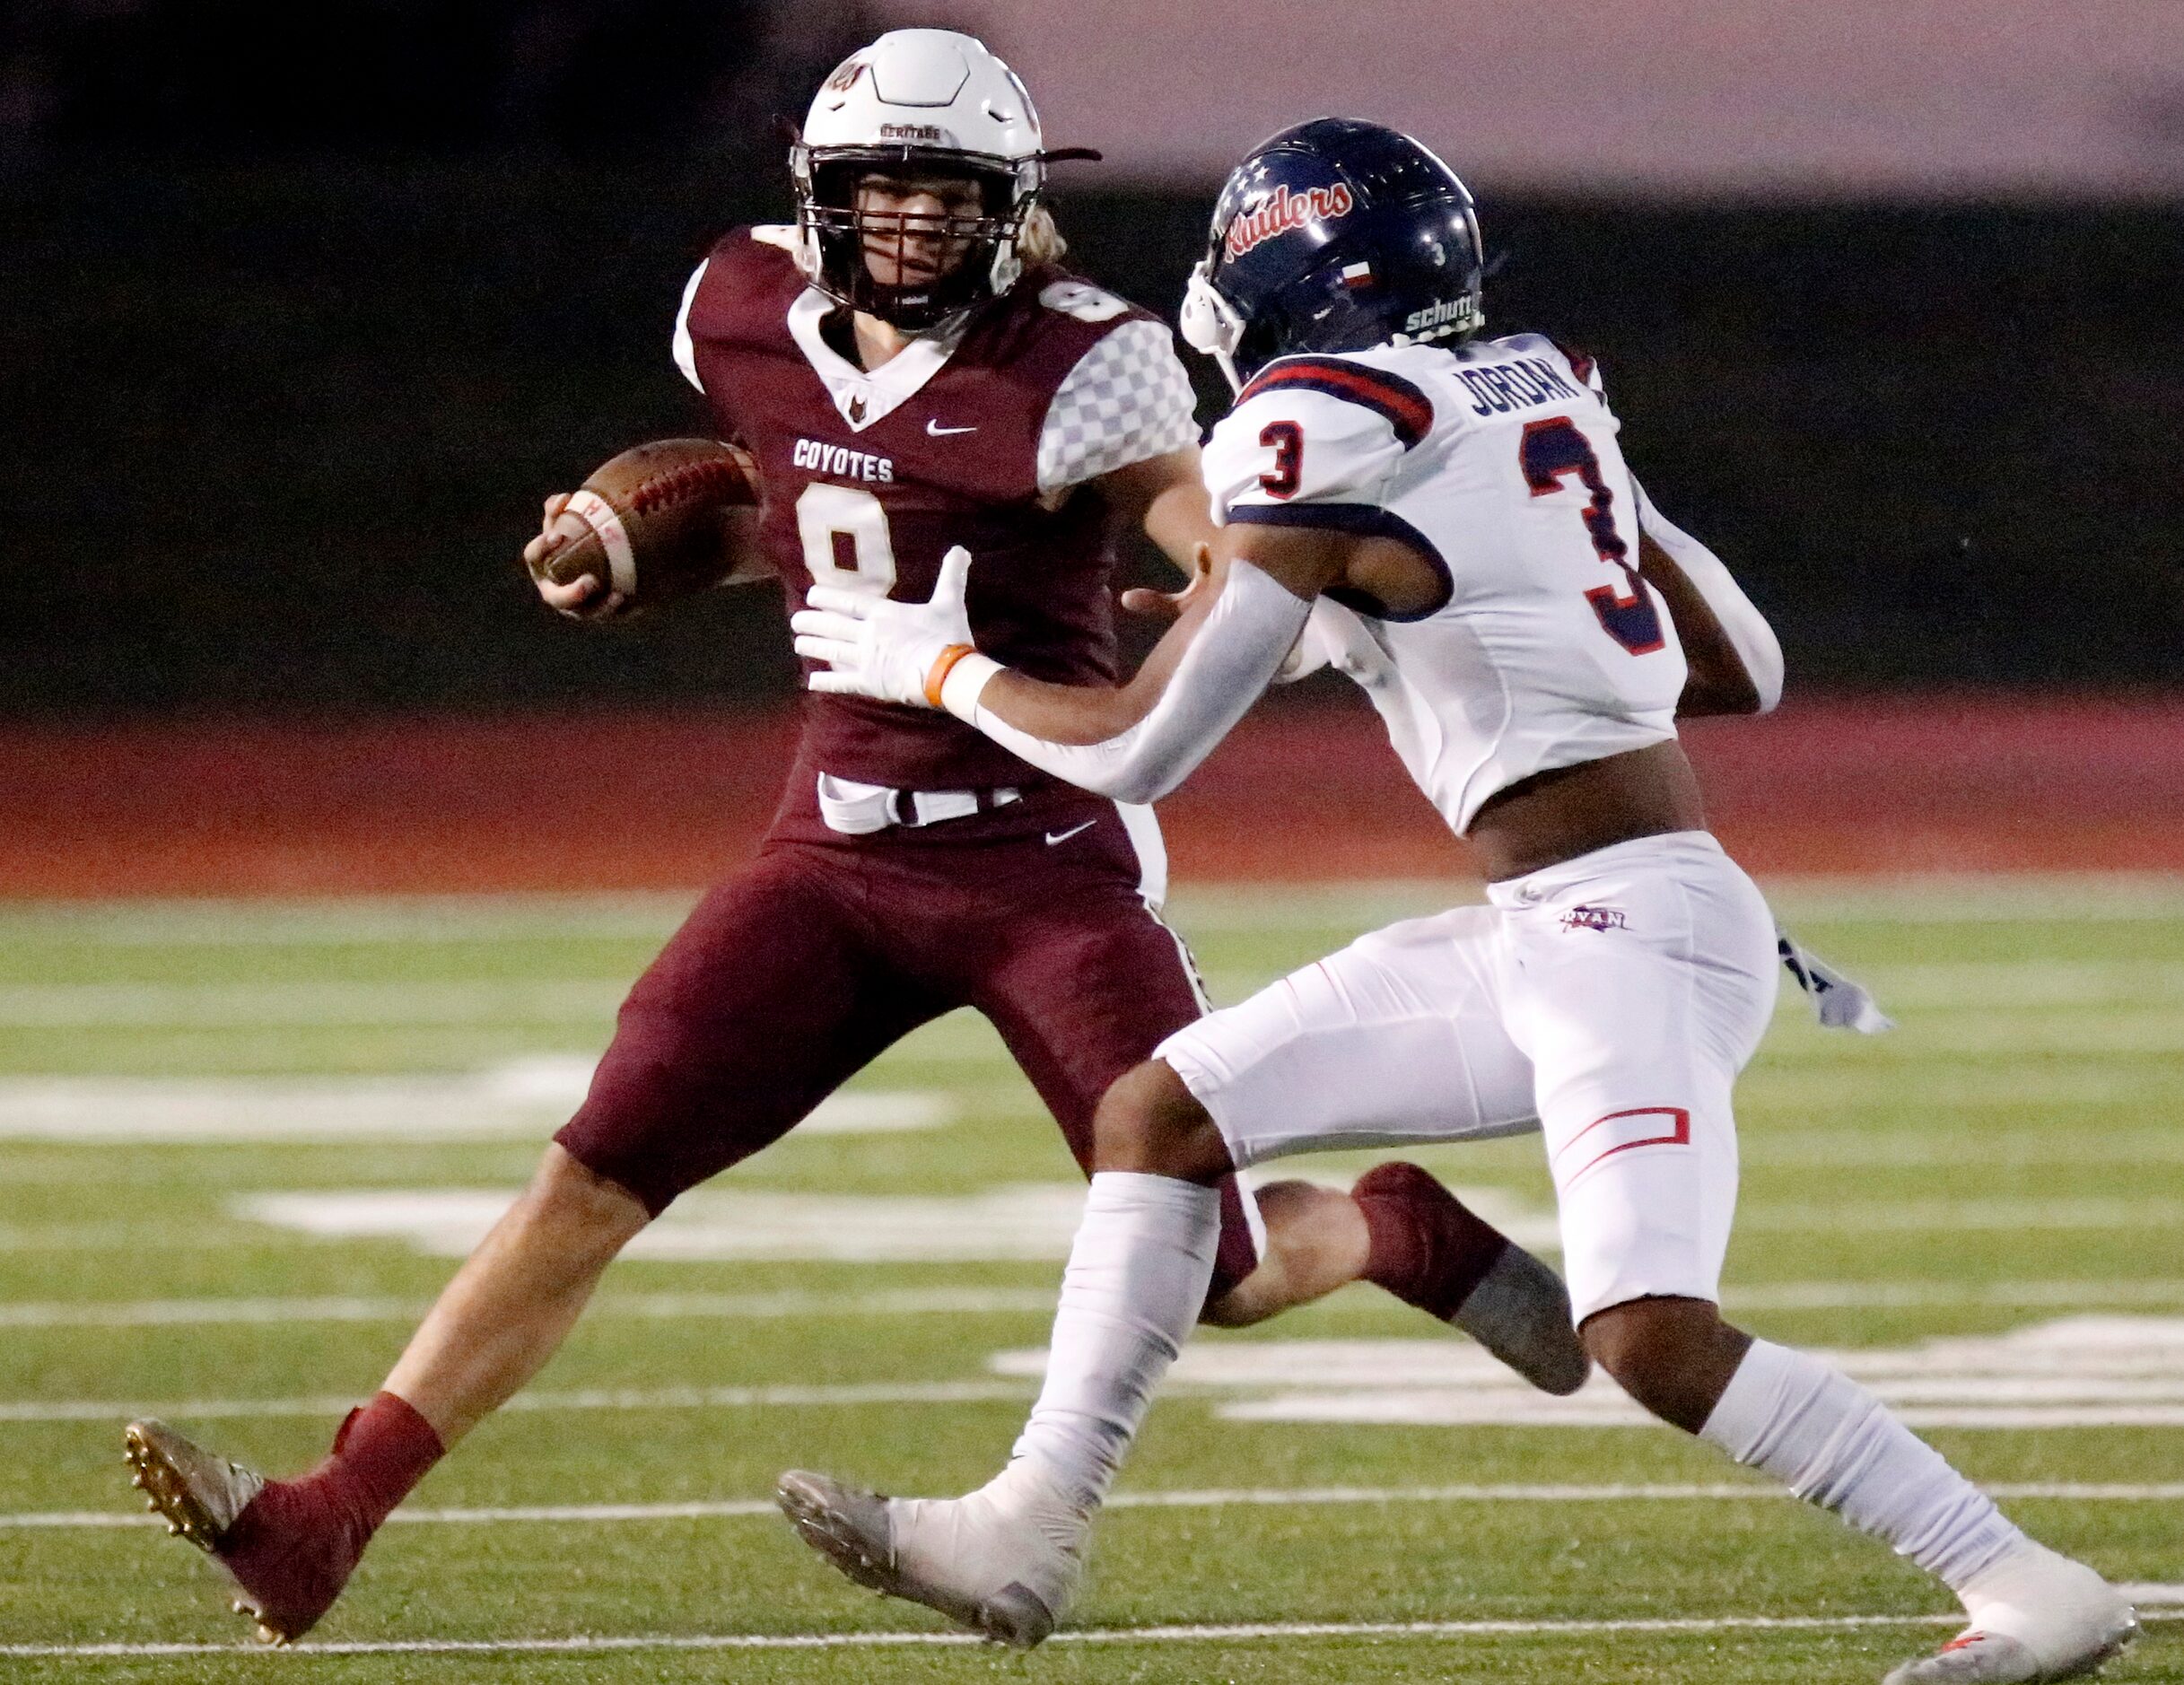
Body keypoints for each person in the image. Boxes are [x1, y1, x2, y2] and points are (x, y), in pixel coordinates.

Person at [120, 47, 1585, 1647]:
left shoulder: (1087, 365)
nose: (907, 224)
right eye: (880, 187)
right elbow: (821, 498)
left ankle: (1397, 1225)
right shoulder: (736, 307)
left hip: (1045, 862)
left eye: (946, 195)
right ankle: (326, 1520)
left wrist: (1252, 608)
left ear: (1010, 209)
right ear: (815, 196)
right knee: (591, 1171)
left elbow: (1238, 561)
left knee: (1220, 1272)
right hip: (830, 851)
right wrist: (653, 541)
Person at [773, 119, 2139, 1684]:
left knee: (1651, 1337)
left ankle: (2028, 1580)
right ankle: (1025, 1526)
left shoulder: (1313, 421)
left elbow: (1141, 749)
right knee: (1160, 1111)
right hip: (1576, 927)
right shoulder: (1530, 381)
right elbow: (1737, 666)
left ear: (1278, 279)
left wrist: (929, 663)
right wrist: (1349, 609)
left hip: (1626, 936)